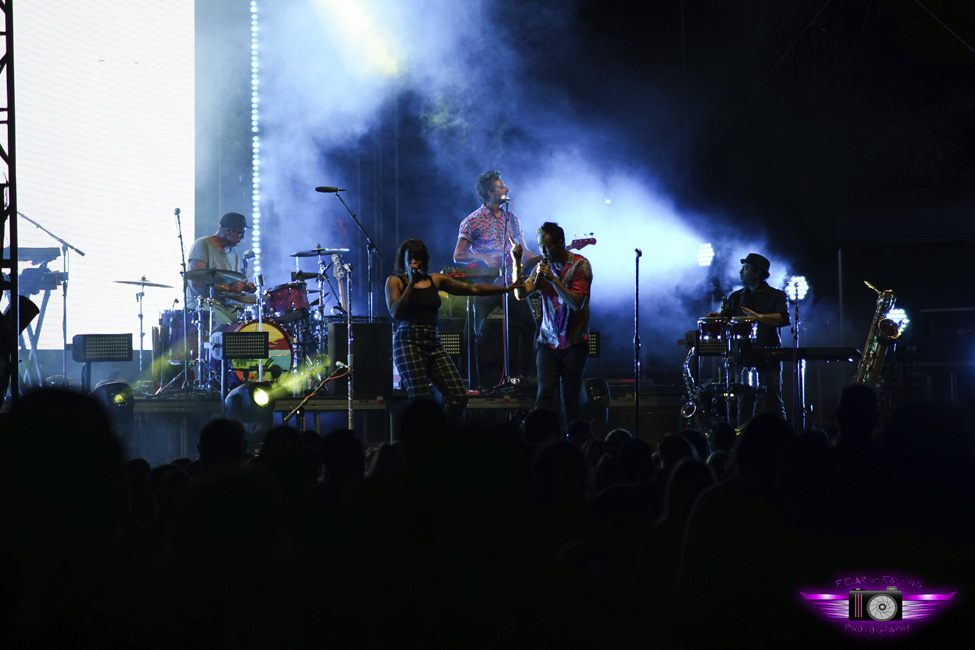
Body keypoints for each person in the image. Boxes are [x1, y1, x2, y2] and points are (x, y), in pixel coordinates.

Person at [386, 238, 521, 427]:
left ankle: (438, 436)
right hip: (407, 341)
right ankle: (421, 445)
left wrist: (505, 289)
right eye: (411, 259)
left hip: (432, 341)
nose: (415, 263)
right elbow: (396, 312)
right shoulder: (395, 281)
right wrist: (411, 284)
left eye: (418, 258)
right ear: (404, 260)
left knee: (458, 397)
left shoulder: (435, 279)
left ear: (424, 260)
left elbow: (472, 288)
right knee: (421, 401)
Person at [454, 170, 540, 383]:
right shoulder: (472, 221)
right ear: (490, 193)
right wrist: (483, 257)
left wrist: (542, 257)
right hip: (487, 284)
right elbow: (458, 255)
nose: (507, 189)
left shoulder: (513, 220)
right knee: (471, 332)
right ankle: (468, 378)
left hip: (510, 283)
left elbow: (525, 252)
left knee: (529, 324)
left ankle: (524, 375)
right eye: (502, 187)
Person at [511, 222, 592, 425]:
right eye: (540, 246)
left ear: (560, 243)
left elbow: (577, 303)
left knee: (570, 399)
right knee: (544, 395)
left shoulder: (580, 265)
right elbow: (520, 294)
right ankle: (540, 441)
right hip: (547, 343)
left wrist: (555, 281)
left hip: (574, 344)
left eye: (546, 247)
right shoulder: (541, 268)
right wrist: (517, 261)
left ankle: (573, 446)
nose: (542, 252)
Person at [710, 252, 789, 424]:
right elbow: (726, 321)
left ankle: (782, 441)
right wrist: (716, 318)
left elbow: (783, 319)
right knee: (744, 404)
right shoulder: (736, 297)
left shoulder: (777, 296)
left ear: (757, 273)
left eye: (745, 269)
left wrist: (758, 317)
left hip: (769, 356)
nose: (740, 272)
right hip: (743, 358)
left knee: (773, 402)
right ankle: (742, 444)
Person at [187, 212, 256, 326]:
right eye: (240, 234)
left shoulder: (234, 253)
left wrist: (243, 288)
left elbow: (232, 284)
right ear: (228, 231)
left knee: (251, 323)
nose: (242, 238)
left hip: (226, 306)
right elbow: (196, 283)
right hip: (202, 304)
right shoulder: (202, 244)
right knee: (226, 327)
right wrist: (228, 288)